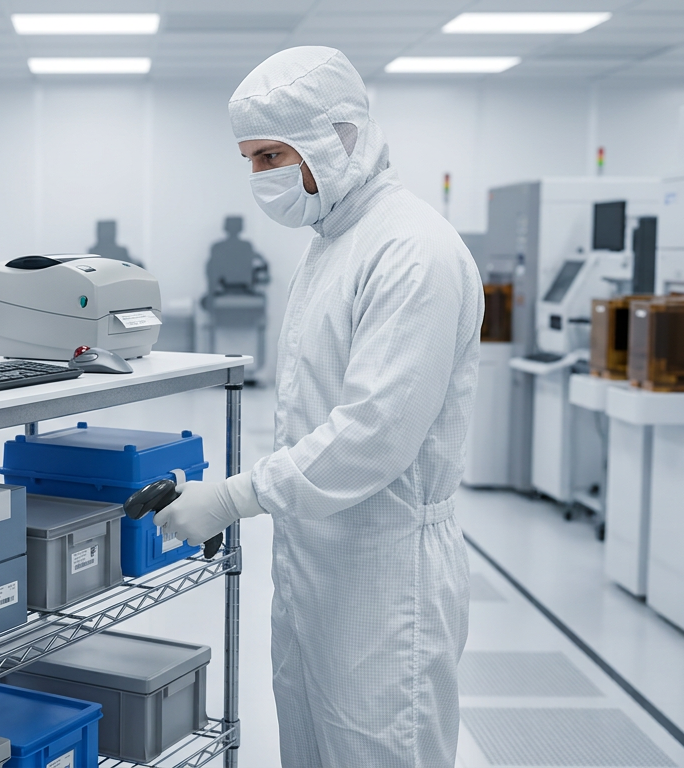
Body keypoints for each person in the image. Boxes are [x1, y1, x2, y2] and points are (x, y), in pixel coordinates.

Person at [154, 46, 482, 767]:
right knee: (309, 742)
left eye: (273, 154)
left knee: (378, 748)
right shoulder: (331, 243)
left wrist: (235, 497)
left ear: (339, 138)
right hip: (315, 562)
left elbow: (373, 434)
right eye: (250, 159)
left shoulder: (411, 249)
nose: (261, 178)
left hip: (388, 572)